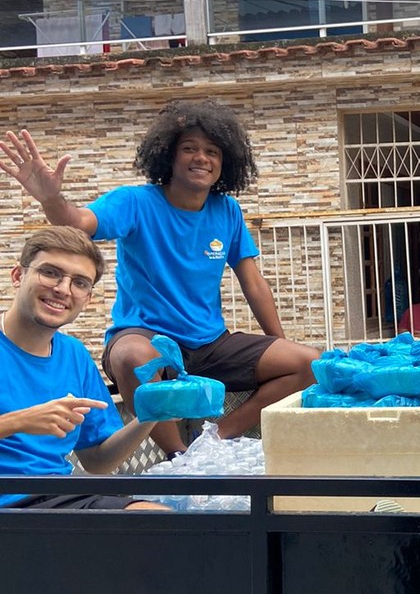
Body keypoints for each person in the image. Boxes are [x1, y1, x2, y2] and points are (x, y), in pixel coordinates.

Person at [1, 101, 318, 456]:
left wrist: (277, 344)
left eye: (212, 152)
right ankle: (178, 456)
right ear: (168, 156)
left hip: (210, 343)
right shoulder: (134, 202)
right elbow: (78, 223)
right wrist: (51, 198)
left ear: (225, 162)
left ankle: (213, 442)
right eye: (189, 148)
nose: (201, 158)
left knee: (308, 363)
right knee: (132, 357)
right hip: (144, 335)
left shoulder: (227, 210)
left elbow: (253, 283)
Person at [0, 228, 168, 510]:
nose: (63, 289)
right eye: (50, 273)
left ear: (87, 298)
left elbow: (97, 460)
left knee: (162, 519)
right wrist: (19, 421)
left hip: (55, 500)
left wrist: (152, 413)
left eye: (79, 282)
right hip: (10, 505)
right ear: (18, 276)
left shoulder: (74, 355)